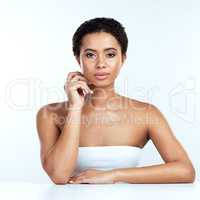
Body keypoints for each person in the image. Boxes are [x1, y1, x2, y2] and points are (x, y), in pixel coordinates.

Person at [36, 17, 195, 184]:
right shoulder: (50, 114)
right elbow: (59, 176)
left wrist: (113, 175)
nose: (101, 64)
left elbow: (185, 170)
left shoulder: (147, 113)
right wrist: (75, 108)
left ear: (123, 58)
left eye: (110, 54)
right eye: (90, 55)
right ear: (78, 59)